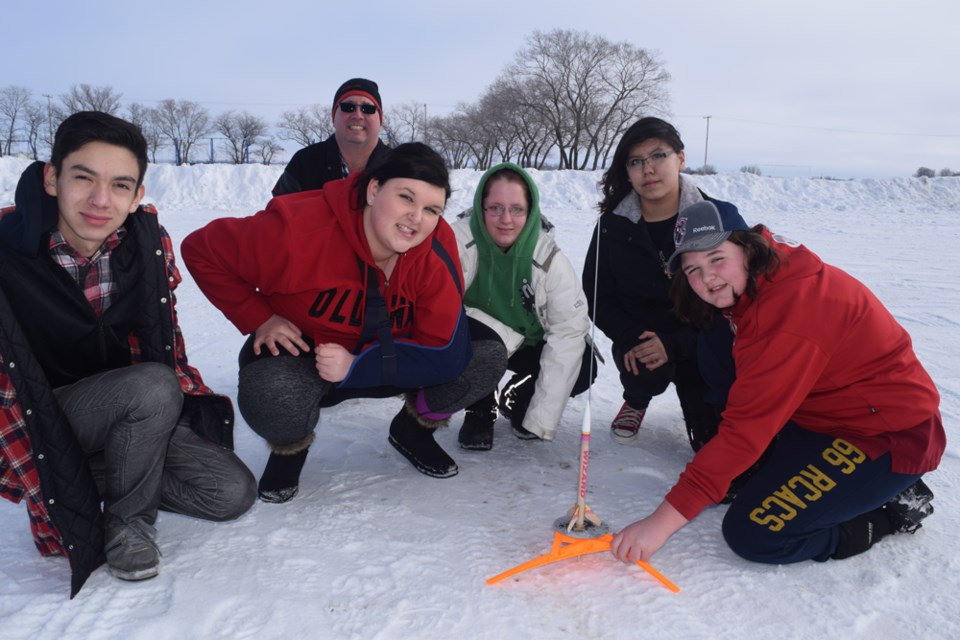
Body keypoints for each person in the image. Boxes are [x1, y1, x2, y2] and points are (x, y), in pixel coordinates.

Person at [0, 111, 256, 595]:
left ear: (138, 194)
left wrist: (179, 419)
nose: (101, 201)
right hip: (35, 414)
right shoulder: (8, 247)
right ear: (52, 178)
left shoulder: (146, 243)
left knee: (230, 493)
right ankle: (129, 524)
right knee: (151, 386)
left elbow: (165, 342)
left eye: (120, 185)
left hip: (123, 408)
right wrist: (39, 478)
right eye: (84, 178)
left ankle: (96, 470)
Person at [610, 200, 945, 567]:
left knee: (755, 534)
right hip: (821, 417)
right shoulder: (763, 277)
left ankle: (890, 511)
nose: (706, 278)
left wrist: (658, 525)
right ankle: (857, 489)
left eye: (716, 258)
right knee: (714, 347)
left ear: (748, 246)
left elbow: (744, 432)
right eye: (692, 269)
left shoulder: (789, 312)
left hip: (883, 435)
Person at [182, 143, 505, 503]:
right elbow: (201, 250)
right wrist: (258, 316)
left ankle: (413, 431)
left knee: (486, 354)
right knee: (270, 393)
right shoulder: (296, 230)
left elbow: (443, 353)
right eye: (406, 198)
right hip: (311, 354)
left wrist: (356, 367)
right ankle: (289, 449)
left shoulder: (436, 246)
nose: (417, 218)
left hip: (387, 355)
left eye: (432, 209)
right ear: (373, 190)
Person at [582, 116, 746, 449]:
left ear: (681, 159)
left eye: (658, 156)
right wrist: (630, 337)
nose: (648, 169)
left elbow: (743, 297)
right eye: (636, 161)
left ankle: (706, 402)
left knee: (711, 444)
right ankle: (637, 399)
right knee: (643, 369)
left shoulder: (719, 217)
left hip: (704, 340)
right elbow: (597, 292)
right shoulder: (614, 225)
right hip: (643, 338)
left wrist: (675, 343)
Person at [451, 163, 595, 450]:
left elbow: (568, 331)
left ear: (531, 213)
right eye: (495, 208)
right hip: (478, 341)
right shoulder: (456, 242)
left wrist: (541, 417)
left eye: (517, 209)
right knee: (476, 344)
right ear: (481, 208)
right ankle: (480, 408)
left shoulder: (549, 258)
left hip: (527, 343)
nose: (506, 219)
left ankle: (519, 397)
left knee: (584, 363)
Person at [272, 77, 391, 196]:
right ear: (333, 117)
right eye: (348, 107)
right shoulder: (304, 162)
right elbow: (278, 211)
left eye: (368, 109)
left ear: (380, 120)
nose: (358, 115)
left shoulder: (398, 166)